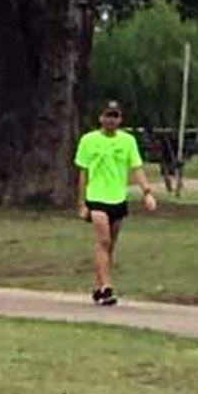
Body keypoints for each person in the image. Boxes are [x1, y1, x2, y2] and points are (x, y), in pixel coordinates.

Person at [75, 101, 158, 306]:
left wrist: (146, 192)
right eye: (108, 115)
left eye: (115, 116)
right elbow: (83, 173)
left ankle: (99, 285)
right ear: (100, 118)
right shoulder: (89, 140)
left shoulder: (128, 141)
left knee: (110, 244)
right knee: (103, 240)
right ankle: (107, 288)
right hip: (97, 197)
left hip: (118, 198)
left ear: (120, 119)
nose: (111, 120)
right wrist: (82, 203)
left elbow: (136, 168)